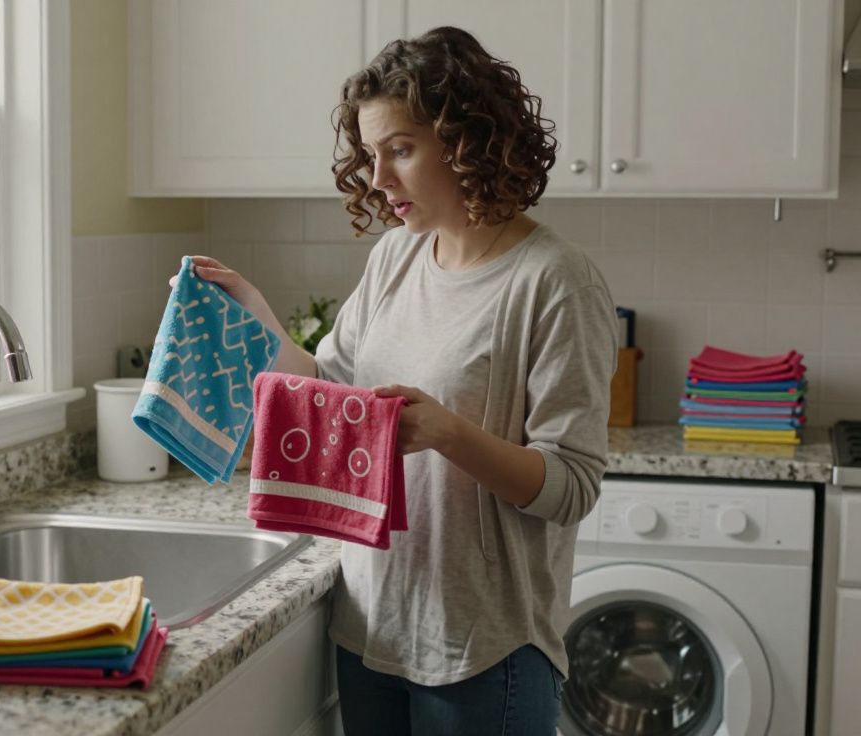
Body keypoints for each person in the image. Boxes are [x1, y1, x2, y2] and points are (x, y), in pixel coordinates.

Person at [173, 26, 616, 735]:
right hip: (371, 624)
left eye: (401, 150)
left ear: (469, 139)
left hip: (485, 649)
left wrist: (447, 432)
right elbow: (333, 387)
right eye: (371, 155)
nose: (378, 178)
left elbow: (571, 487)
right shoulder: (396, 259)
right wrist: (258, 324)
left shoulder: (554, 282)